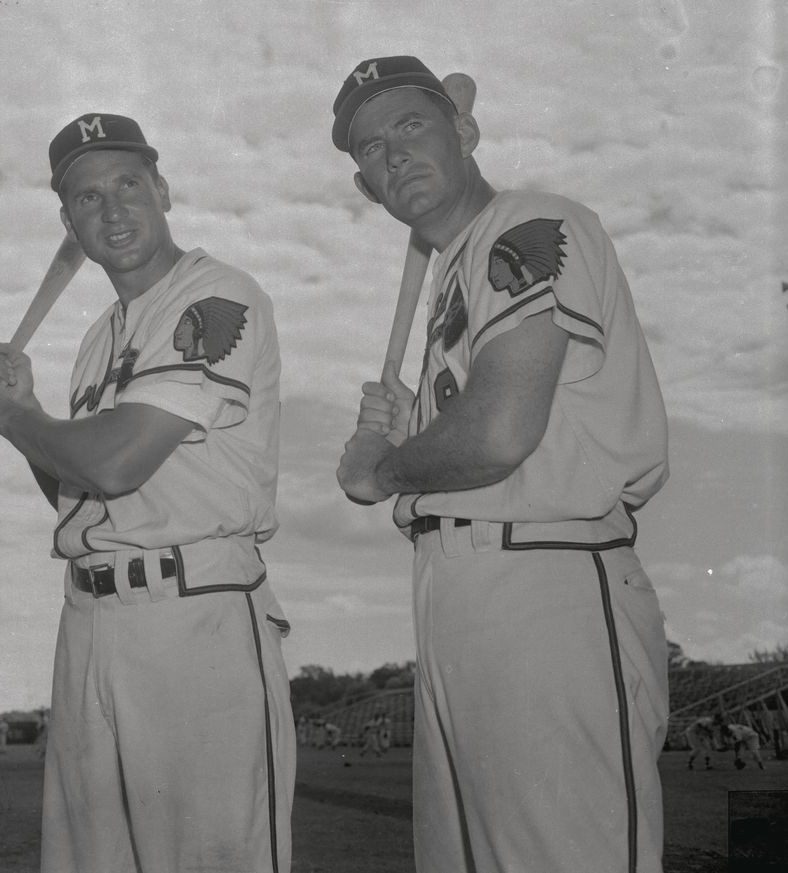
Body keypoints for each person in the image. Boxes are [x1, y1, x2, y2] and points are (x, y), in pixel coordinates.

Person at [330, 57, 670, 873]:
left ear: (467, 132)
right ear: (367, 186)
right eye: (371, 149)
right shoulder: (458, 272)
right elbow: (476, 421)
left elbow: (500, 431)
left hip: (546, 580)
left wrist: (382, 468)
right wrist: (407, 423)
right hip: (458, 588)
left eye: (412, 125)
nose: (394, 154)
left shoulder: (532, 225)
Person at [0, 112, 295, 873]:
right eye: (87, 197)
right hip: (89, 620)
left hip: (193, 619)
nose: (111, 210)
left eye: (128, 185)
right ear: (68, 218)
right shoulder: (98, 337)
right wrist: (32, 412)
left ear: (163, 188)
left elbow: (116, 462)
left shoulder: (215, 296)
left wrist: (7, 417)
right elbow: (83, 496)